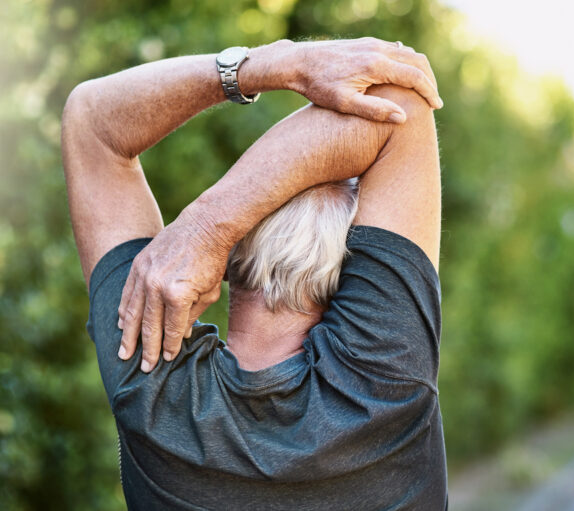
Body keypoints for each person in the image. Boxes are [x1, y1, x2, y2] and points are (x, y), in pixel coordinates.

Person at [62, 38, 446, 510]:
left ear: (227, 261)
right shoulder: (386, 375)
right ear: (365, 276)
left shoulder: (149, 381)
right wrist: (211, 224)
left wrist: (273, 65)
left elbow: (91, 121)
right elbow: (398, 102)